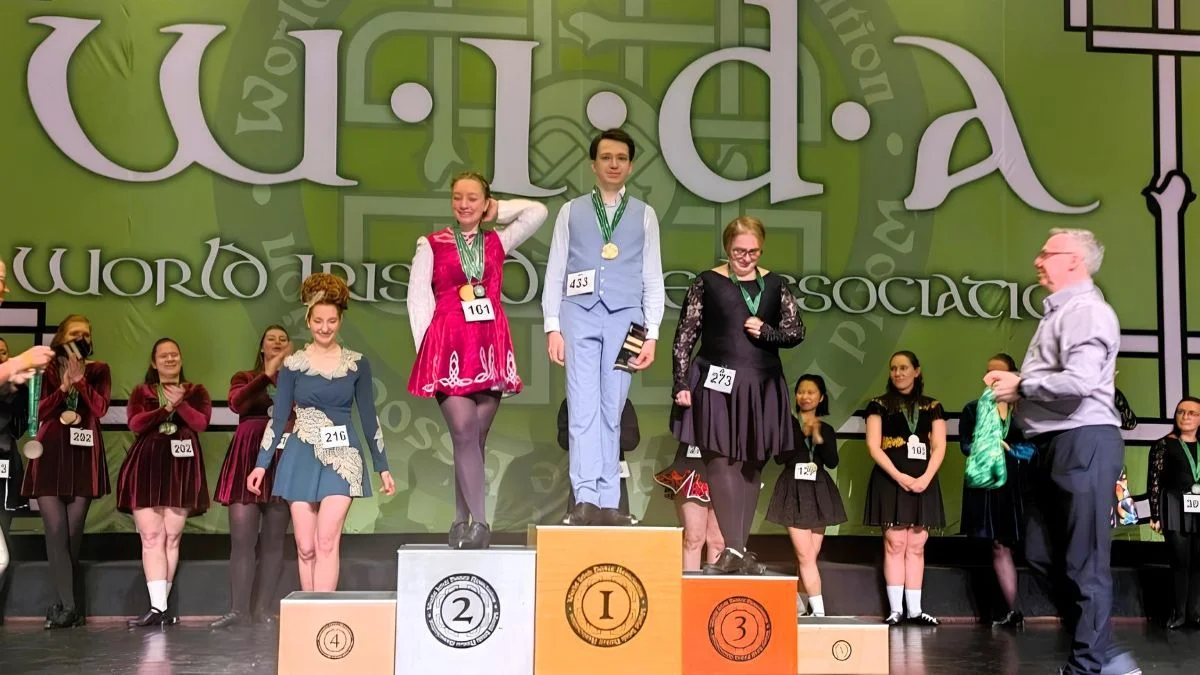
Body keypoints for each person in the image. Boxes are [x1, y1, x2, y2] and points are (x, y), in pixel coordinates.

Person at [986, 228, 1139, 675]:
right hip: (1051, 445)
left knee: (1083, 562)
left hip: (1083, 440)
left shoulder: (1088, 312)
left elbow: (1080, 382)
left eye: (1047, 253)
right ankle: (1104, 655)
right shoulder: (1060, 313)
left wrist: (1022, 386)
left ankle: (1089, 665)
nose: (1038, 260)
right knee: (1039, 552)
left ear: (1074, 261)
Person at [407, 172, 548, 549]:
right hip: (448, 347)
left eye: (473, 197)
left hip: (488, 346)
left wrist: (497, 210)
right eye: (457, 197)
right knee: (463, 430)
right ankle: (481, 524)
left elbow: (537, 212)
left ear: (485, 202)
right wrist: (427, 353)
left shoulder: (498, 240)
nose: (464, 204)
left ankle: (460, 521)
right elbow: (418, 299)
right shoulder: (431, 244)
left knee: (474, 438)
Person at [543, 128, 665, 527]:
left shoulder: (644, 214)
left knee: (613, 407)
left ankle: (610, 499)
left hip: (627, 320)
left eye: (621, 158)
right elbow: (556, 271)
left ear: (631, 165)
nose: (614, 164)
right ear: (593, 164)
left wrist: (652, 332)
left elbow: (652, 276)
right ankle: (585, 497)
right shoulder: (571, 211)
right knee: (582, 407)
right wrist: (552, 326)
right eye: (606, 157)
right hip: (578, 314)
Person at [671, 216, 806, 574]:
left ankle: (738, 550)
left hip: (761, 384)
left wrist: (768, 332)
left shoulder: (775, 284)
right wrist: (681, 383)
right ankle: (732, 547)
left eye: (753, 252)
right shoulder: (707, 282)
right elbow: (685, 335)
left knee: (752, 463)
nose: (745, 258)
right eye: (738, 251)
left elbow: (796, 330)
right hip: (717, 380)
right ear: (727, 248)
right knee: (720, 459)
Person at [248, 273, 395, 592]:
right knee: (306, 547)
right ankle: (308, 612)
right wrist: (261, 464)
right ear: (308, 321)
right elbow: (278, 418)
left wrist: (382, 466)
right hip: (300, 456)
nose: (325, 328)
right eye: (318, 321)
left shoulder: (357, 364)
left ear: (340, 321)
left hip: (343, 458)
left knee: (327, 541)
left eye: (331, 321)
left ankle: (323, 614)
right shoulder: (293, 365)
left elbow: (369, 418)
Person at [21, 314, 110, 629]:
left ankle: (59, 605)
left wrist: (81, 381)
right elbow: (37, 412)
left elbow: (100, 409)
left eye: (85, 334)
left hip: (83, 455)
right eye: (74, 333)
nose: (80, 338)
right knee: (55, 529)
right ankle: (71, 607)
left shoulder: (99, 370)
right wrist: (63, 386)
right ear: (61, 337)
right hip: (50, 453)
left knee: (72, 535)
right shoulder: (44, 369)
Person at [117, 338, 212, 627]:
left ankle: (161, 608)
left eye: (174, 354)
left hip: (181, 469)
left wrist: (179, 403)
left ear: (181, 359)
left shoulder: (196, 391)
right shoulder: (142, 391)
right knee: (151, 537)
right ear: (154, 362)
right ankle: (158, 607)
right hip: (147, 466)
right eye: (163, 356)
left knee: (172, 537)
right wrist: (165, 407)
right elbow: (136, 424)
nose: (170, 359)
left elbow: (200, 423)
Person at [210, 325, 294, 628]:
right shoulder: (244, 377)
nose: (277, 342)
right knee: (242, 540)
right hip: (246, 457)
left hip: (281, 457)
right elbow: (237, 403)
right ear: (262, 347)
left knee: (274, 541)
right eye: (271, 339)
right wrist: (267, 374)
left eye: (283, 339)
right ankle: (238, 610)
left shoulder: (296, 379)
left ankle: (262, 610)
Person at [863, 350, 945, 626]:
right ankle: (896, 610)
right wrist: (899, 476)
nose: (898, 373)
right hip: (890, 479)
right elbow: (874, 446)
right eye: (894, 368)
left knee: (917, 545)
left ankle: (915, 610)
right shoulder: (878, 405)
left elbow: (939, 446)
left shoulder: (932, 406)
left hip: (924, 480)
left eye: (904, 368)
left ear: (916, 371)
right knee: (895, 542)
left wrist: (926, 477)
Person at [959, 353, 1034, 629]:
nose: (993, 378)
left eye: (999, 373)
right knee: (997, 545)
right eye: (989, 373)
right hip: (987, 486)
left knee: (1019, 546)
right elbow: (966, 446)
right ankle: (1010, 610)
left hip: (1016, 486)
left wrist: (1010, 449)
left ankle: (1013, 609)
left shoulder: (1025, 411)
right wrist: (989, 445)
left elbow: (1034, 448)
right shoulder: (973, 408)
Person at [766, 374, 846, 617]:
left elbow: (831, 462)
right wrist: (798, 433)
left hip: (818, 491)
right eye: (801, 391)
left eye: (811, 392)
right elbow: (780, 458)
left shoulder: (826, 428)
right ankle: (820, 612)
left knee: (808, 557)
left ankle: (801, 607)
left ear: (821, 398)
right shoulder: (787, 425)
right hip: (793, 489)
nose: (805, 396)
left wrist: (818, 435)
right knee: (805, 555)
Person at [1147, 396, 1200, 629]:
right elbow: (1154, 482)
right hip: (1175, 507)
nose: (1185, 416)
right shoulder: (1164, 444)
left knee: (1198, 562)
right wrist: (1155, 514)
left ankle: (1195, 613)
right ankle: (1178, 613)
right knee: (1180, 560)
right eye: (1181, 412)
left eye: (1192, 413)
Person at [559, 398, 638, 519]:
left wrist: (607, 431)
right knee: (579, 526)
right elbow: (564, 441)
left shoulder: (621, 401)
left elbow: (631, 441)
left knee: (616, 527)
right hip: (583, 478)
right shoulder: (574, 401)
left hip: (614, 480)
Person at [653, 441, 723, 571]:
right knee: (693, 539)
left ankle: (714, 584)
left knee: (718, 542)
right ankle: (691, 583)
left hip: (725, 466)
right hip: (693, 462)